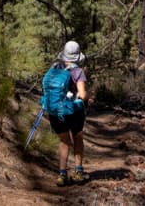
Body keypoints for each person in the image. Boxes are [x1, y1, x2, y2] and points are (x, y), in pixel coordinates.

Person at [46, 40, 89, 186]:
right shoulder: (78, 71)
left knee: (64, 140)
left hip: (56, 111)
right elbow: (82, 95)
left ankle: (62, 175)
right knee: (77, 137)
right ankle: (78, 172)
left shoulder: (54, 67)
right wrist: (87, 98)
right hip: (73, 111)